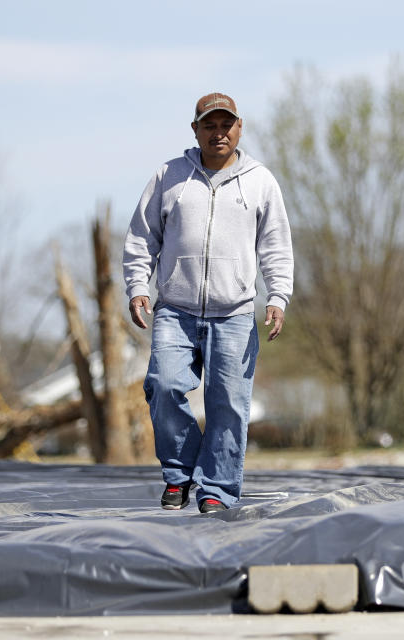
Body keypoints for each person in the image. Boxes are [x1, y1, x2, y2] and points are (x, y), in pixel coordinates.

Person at [122, 92, 294, 513]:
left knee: (229, 405)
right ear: (195, 129)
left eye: (226, 125)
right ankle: (180, 475)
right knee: (163, 387)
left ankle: (216, 488)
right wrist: (137, 286)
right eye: (209, 125)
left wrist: (278, 295)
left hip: (234, 313)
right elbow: (142, 237)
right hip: (175, 309)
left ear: (239, 128)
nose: (218, 133)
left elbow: (275, 246)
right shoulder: (170, 177)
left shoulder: (260, 181)